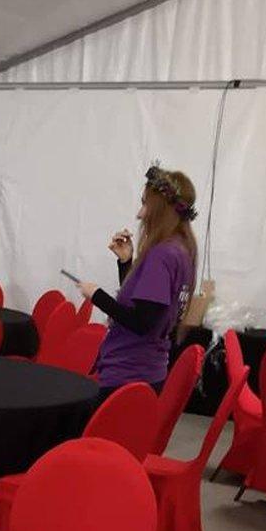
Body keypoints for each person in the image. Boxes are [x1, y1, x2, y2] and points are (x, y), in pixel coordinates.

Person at [78, 166, 197, 399]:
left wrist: (96, 295)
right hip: (149, 372)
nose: (139, 214)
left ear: (160, 210)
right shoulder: (182, 251)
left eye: (145, 205)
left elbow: (142, 322)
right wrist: (126, 262)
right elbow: (146, 306)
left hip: (127, 373)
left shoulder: (162, 255)